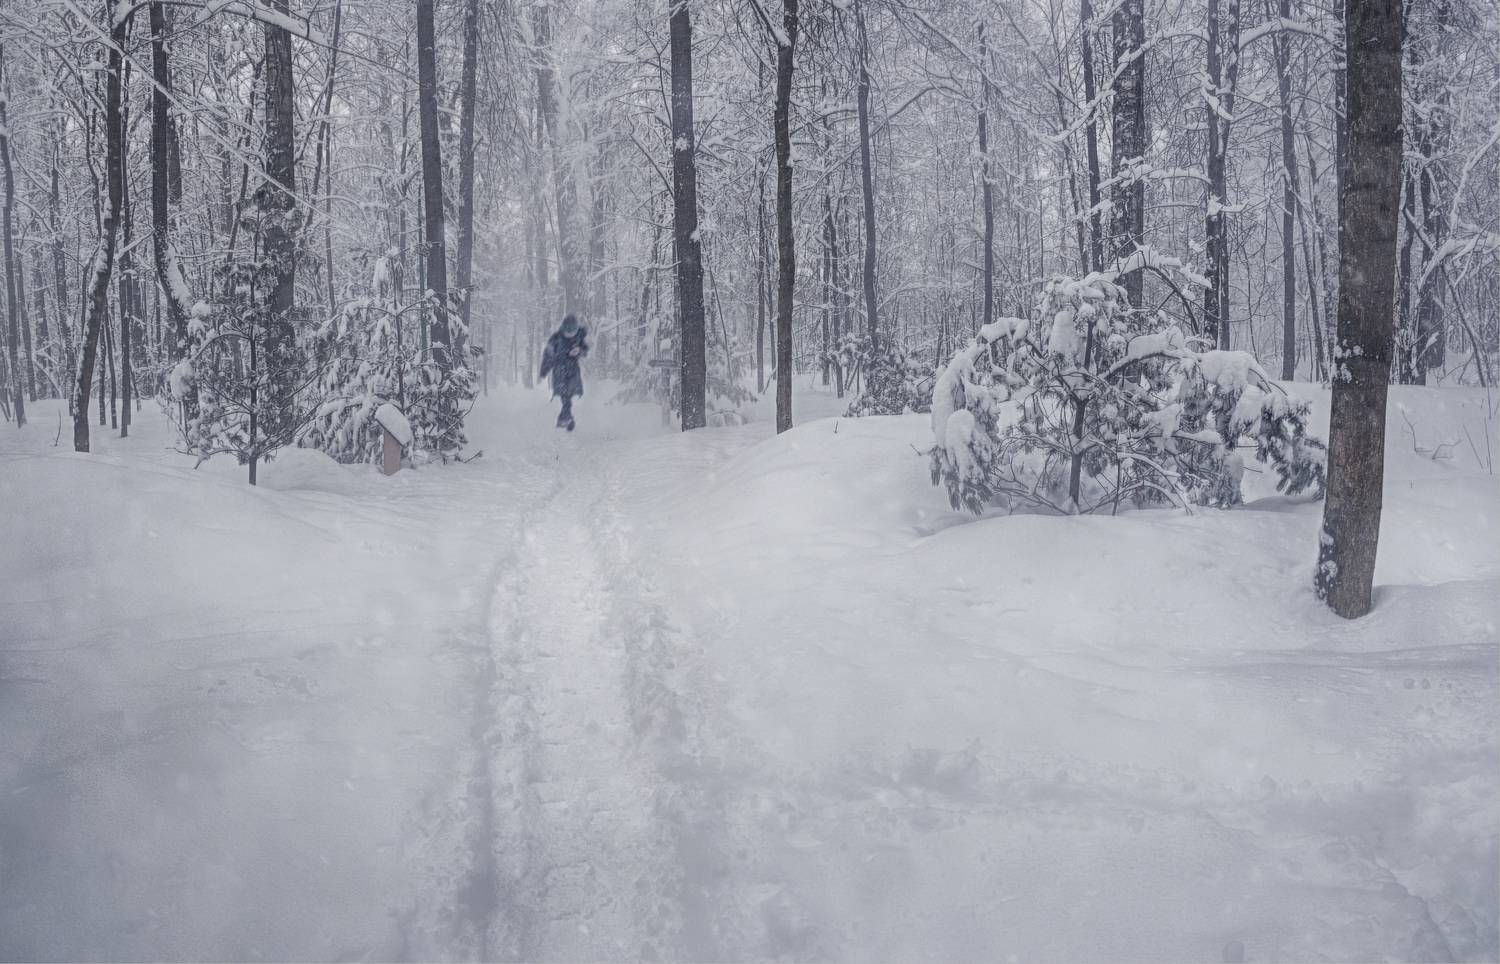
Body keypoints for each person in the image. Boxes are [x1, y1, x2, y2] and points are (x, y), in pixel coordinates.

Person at [538, 314, 589, 431]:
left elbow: (585, 350)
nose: (570, 335)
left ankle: (565, 419)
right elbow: (548, 355)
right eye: (568, 333)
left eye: (572, 333)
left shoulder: (579, 336)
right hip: (559, 370)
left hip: (573, 370)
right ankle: (566, 419)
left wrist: (579, 351)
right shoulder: (555, 338)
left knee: (570, 393)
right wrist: (544, 370)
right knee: (564, 395)